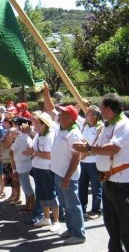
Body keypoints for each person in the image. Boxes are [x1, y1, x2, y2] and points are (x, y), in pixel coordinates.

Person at [73, 93, 129, 251]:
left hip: (123, 184)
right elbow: (99, 147)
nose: (100, 110)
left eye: (102, 107)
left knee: (126, 228)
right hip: (109, 181)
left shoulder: (123, 124)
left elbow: (113, 148)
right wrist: (88, 148)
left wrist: (89, 149)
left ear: (109, 109)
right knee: (112, 226)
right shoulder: (107, 125)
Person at [43, 84, 85, 244]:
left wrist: (67, 177)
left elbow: (76, 158)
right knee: (67, 205)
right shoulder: (61, 127)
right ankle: (71, 229)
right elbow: (50, 108)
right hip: (59, 174)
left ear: (69, 118)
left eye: (62, 114)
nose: (58, 115)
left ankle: (79, 235)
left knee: (73, 205)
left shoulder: (74, 133)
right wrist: (46, 93)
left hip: (68, 176)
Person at [76, 105, 103, 220]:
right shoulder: (84, 125)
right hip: (83, 161)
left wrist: (88, 153)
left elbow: (100, 147)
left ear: (95, 116)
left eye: (88, 114)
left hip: (94, 162)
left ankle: (96, 210)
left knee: (97, 187)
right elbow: (75, 113)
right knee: (82, 186)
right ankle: (81, 208)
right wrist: (80, 104)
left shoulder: (101, 128)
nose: (85, 115)